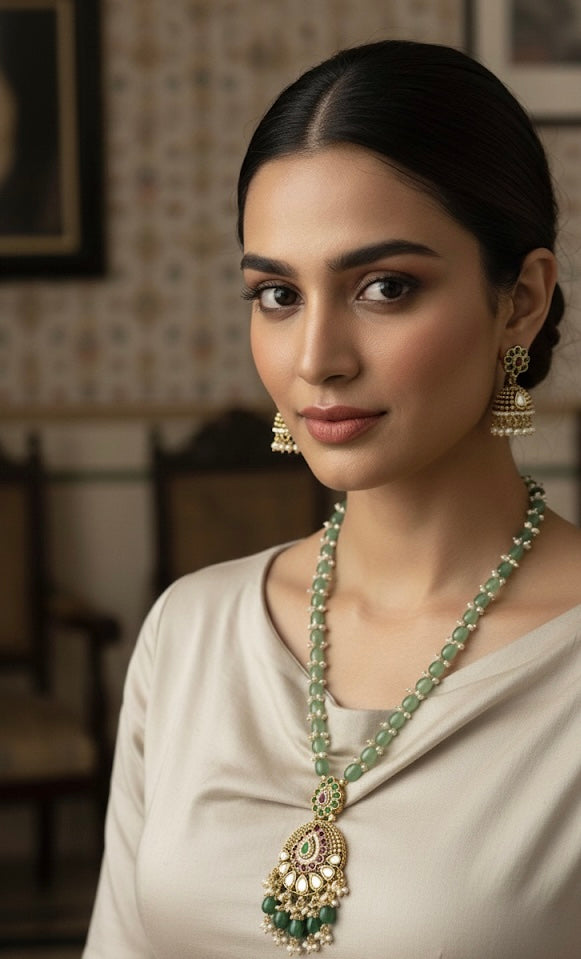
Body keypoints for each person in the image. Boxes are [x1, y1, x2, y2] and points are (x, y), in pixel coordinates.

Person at [83, 40, 581, 959]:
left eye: (384, 287)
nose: (315, 358)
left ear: (520, 301)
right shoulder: (189, 631)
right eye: (277, 294)